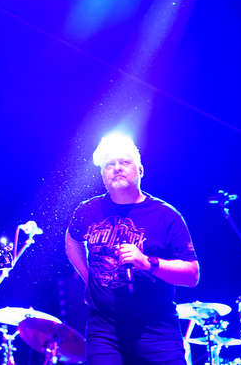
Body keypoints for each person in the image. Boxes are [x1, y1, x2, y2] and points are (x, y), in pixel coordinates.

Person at [65, 133, 199, 365]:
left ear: (140, 170)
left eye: (125, 162)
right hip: (105, 330)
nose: (117, 168)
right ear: (103, 175)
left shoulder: (166, 216)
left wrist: (146, 262)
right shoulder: (88, 210)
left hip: (157, 331)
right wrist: (89, 278)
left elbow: (192, 275)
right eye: (110, 164)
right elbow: (71, 239)